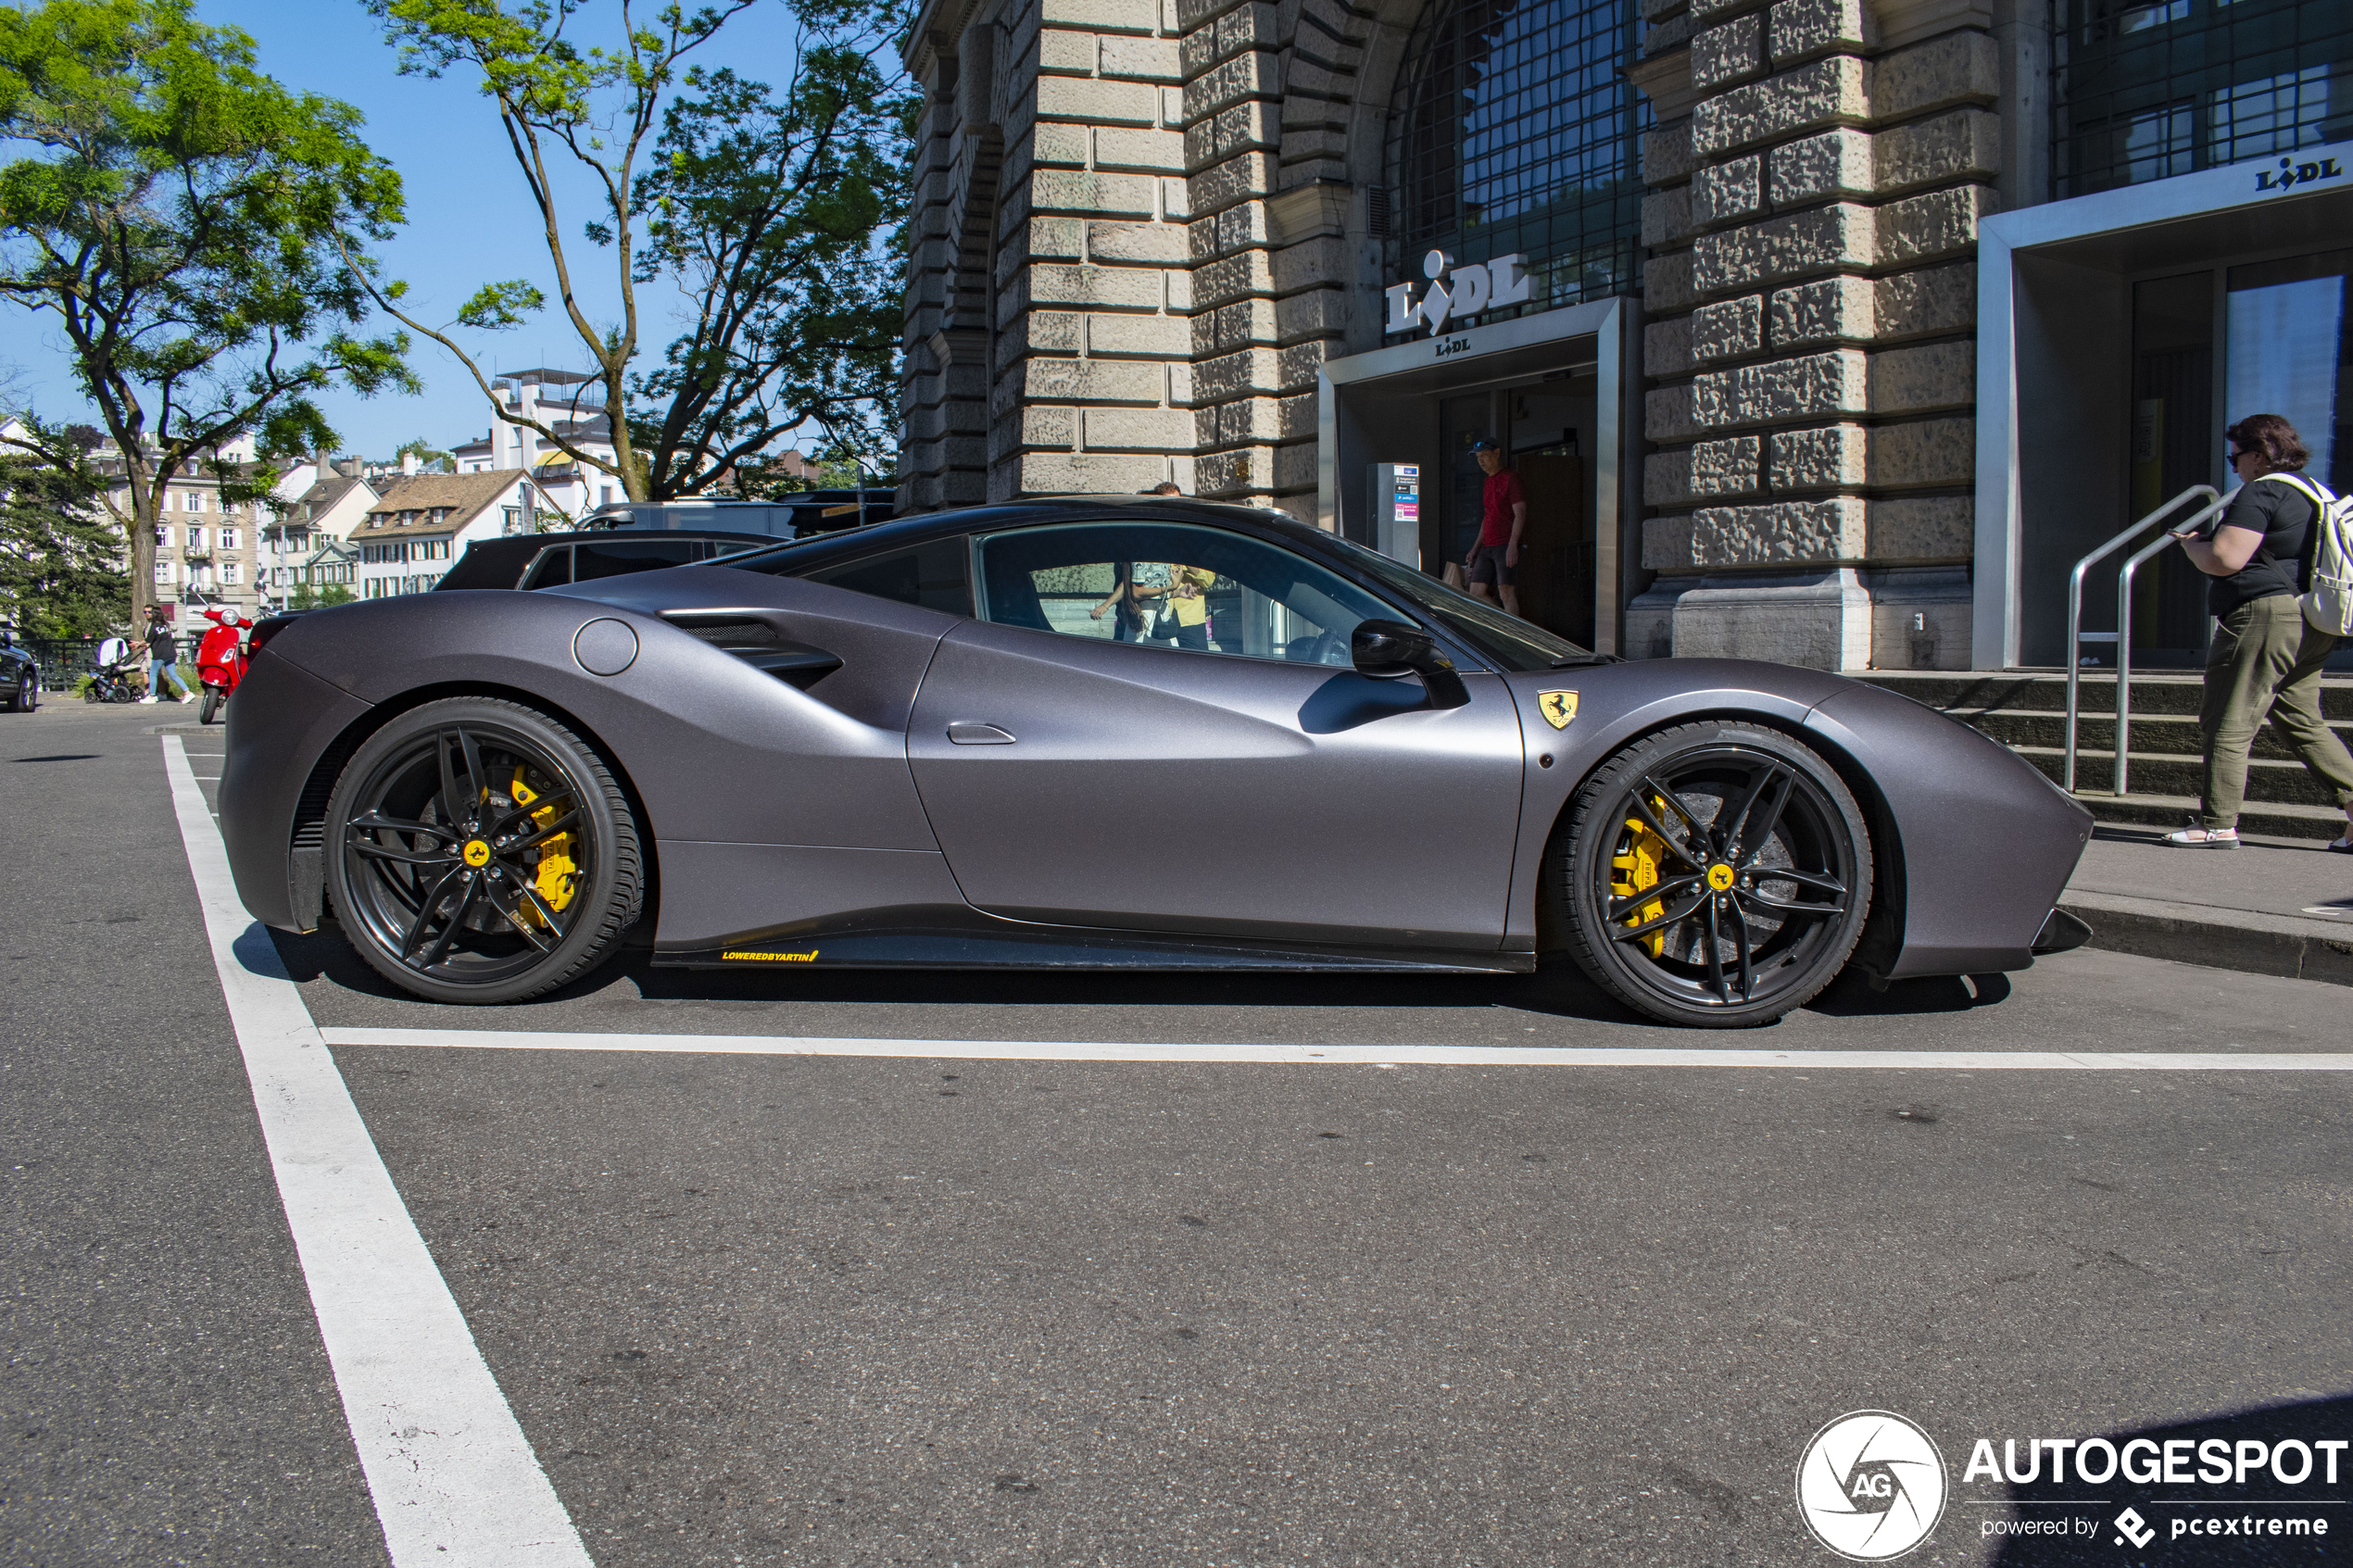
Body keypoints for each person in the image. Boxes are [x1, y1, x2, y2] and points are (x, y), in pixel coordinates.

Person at [2161, 413, 2353, 851]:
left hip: (2265, 619)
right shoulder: (2317, 494)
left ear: (2259, 454)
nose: (2234, 468)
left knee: (2227, 719)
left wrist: (2192, 544)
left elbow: (2225, 558)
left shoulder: (2263, 489)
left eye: (2236, 457)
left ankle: (2216, 823)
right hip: (2314, 618)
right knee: (2302, 721)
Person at [1462, 438, 1528, 617]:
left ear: (1497, 453)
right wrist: (1475, 547)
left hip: (1505, 543)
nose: (1481, 460)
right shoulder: (1487, 482)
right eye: (1478, 457)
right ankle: (1503, 623)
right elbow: (1487, 516)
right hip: (1487, 545)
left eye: (1484, 455)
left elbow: (1520, 513)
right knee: (1475, 593)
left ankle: (1515, 634)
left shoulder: (1510, 478)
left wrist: (1513, 545)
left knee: (1506, 591)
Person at [135, 605, 190, 704]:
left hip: (160, 654)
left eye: (149, 612)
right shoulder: (165, 625)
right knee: (173, 675)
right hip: (170, 653)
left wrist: (138, 644)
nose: (147, 614)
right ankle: (187, 692)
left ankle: (152, 696)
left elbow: (148, 640)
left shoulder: (153, 626)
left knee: (153, 673)